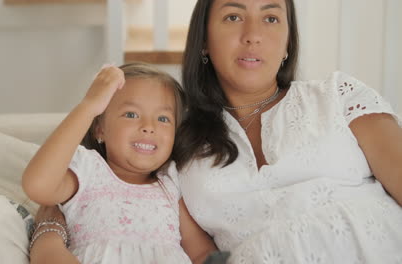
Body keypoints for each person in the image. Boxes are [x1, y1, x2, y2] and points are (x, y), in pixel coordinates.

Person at [30, 0, 402, 263]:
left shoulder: (337, 96)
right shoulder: (174, 135)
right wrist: (48, 237)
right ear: (204, 40)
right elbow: (102, 190)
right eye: (233, 16)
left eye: (271, 18)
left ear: (289, 40)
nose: (253, 34)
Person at [22, 62, 218, 264]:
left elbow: (200, 251)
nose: (148, 127)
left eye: (163, 118)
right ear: (99, 129)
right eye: (131, 114)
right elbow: (38, 185)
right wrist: (88, 106)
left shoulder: (170, 183)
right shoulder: (88, 171)